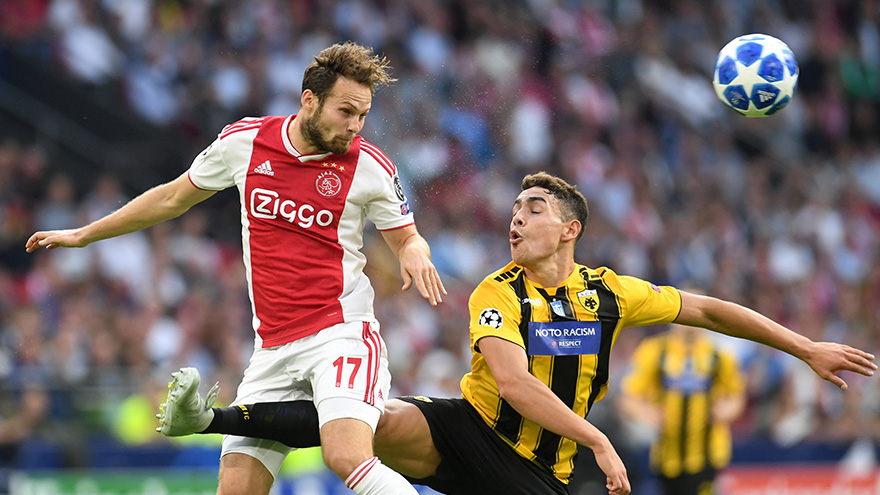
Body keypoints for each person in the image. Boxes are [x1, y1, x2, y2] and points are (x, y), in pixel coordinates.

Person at [156, 172, 875, 495]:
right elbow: (512, 382)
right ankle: (209, 419)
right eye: (514, 209)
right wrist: (599, 437)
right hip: (473, 428)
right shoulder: (498, 291)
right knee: (371, 418)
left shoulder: (609, 292)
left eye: (533, 208)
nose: (517, 217)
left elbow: (710, 312)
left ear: (569, 229)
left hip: (541, 472)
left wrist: (804, 346)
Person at [26, 41, 446, 495]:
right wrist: (85, 234)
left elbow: (407, 237)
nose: (355, 126)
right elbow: (172, 197)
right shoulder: (246, 142)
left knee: (345, 455)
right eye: (346, 112)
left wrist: (414, 250)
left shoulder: (370, 166)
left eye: (362, 115)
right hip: (272, 350)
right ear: (309, 100)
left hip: (340, 335)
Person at [618, 322, 746, 495]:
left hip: (709, 454)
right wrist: (647, 414)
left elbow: (737, 395)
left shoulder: (720, 353)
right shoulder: (654, 350)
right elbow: (628, 397)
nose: (689, 324)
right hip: (666, 456)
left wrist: (726, 410)